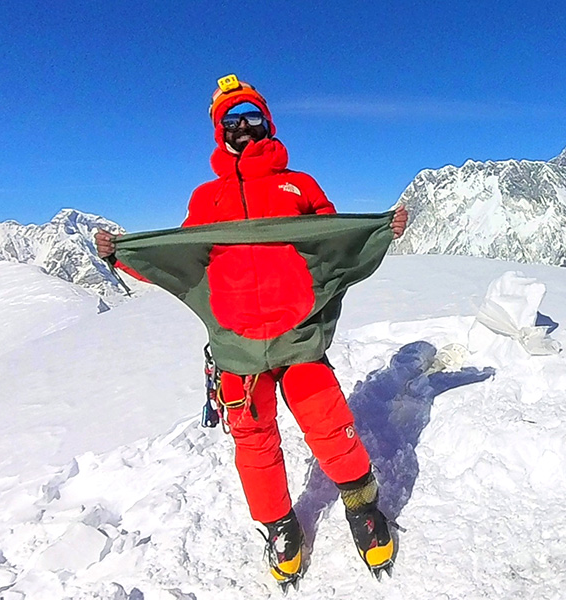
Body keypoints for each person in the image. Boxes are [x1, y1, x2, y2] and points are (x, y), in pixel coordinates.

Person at [95, 75, 408, 586]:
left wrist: (378, 232)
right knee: (254, 440)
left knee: (329, 423)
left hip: (299, 336)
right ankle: (280, 526)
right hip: (236, 348)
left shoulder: (299, 185)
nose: (243, 128)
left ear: (267, 123)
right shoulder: (207, 198)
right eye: (232, 121)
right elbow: (184, 257)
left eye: (252, 118)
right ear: (220, 132)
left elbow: (330, 242)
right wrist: (123, 257)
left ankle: (363, 507)